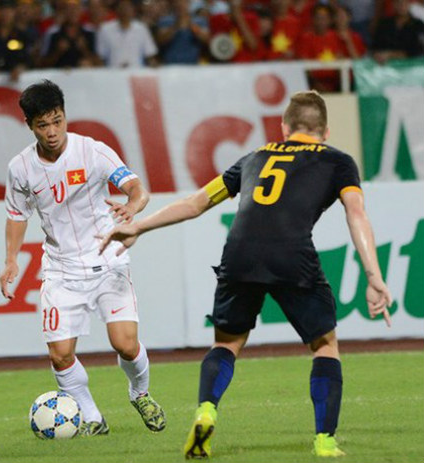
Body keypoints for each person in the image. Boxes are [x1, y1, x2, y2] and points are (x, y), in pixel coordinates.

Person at [98, 91, 393, 458]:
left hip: (239, 253)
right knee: (324, 345)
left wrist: (139, 226)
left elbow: (196, 203)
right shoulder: (338, 161)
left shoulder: (255, 157)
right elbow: (356, 213)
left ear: (284, 128)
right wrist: (374, 276)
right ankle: (325, 441)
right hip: (291, 254)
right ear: (326, 131)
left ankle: (207, 410)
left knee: (226, 344)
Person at [0, 80, 165, 436]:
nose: (52, 131)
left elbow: (137, 188)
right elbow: (17, 215)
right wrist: (11, 260)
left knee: (125, 344)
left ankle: (140, 393)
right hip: (61, 271)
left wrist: (132, 206)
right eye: (42, 125)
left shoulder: (93, 151)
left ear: (64, 115)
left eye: (57, 121)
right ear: (29, 125)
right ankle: (92, 417)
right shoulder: (20, 168)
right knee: (60, 354)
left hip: (108, 260)